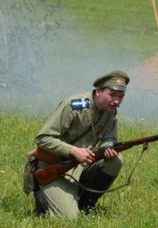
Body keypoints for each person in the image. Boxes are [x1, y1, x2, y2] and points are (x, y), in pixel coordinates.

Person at [29, 70, 130, 219]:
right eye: (112, 95)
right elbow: (43, 138)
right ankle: (43, 199)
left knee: (115, 160)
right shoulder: (73, 106)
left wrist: (108, 147)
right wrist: (73, 151)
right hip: (52, 167)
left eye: (120, 96)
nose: (116, 101)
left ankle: (85, 205)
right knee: (70, 219)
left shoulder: (111, 111)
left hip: (79, 166)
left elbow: (109, 137)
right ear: (98, 91)